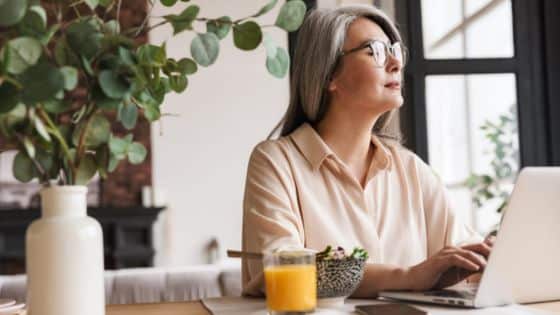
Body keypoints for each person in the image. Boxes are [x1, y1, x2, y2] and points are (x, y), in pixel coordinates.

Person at [241, 4, 493, 297]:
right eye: (374, 50)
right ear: (329, 75)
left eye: (395, 51)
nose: (395, 64)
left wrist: (488, 256)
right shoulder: (275, 161)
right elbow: (281, 267)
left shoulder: (411, 169)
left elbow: (462, 256)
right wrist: (408, 276)